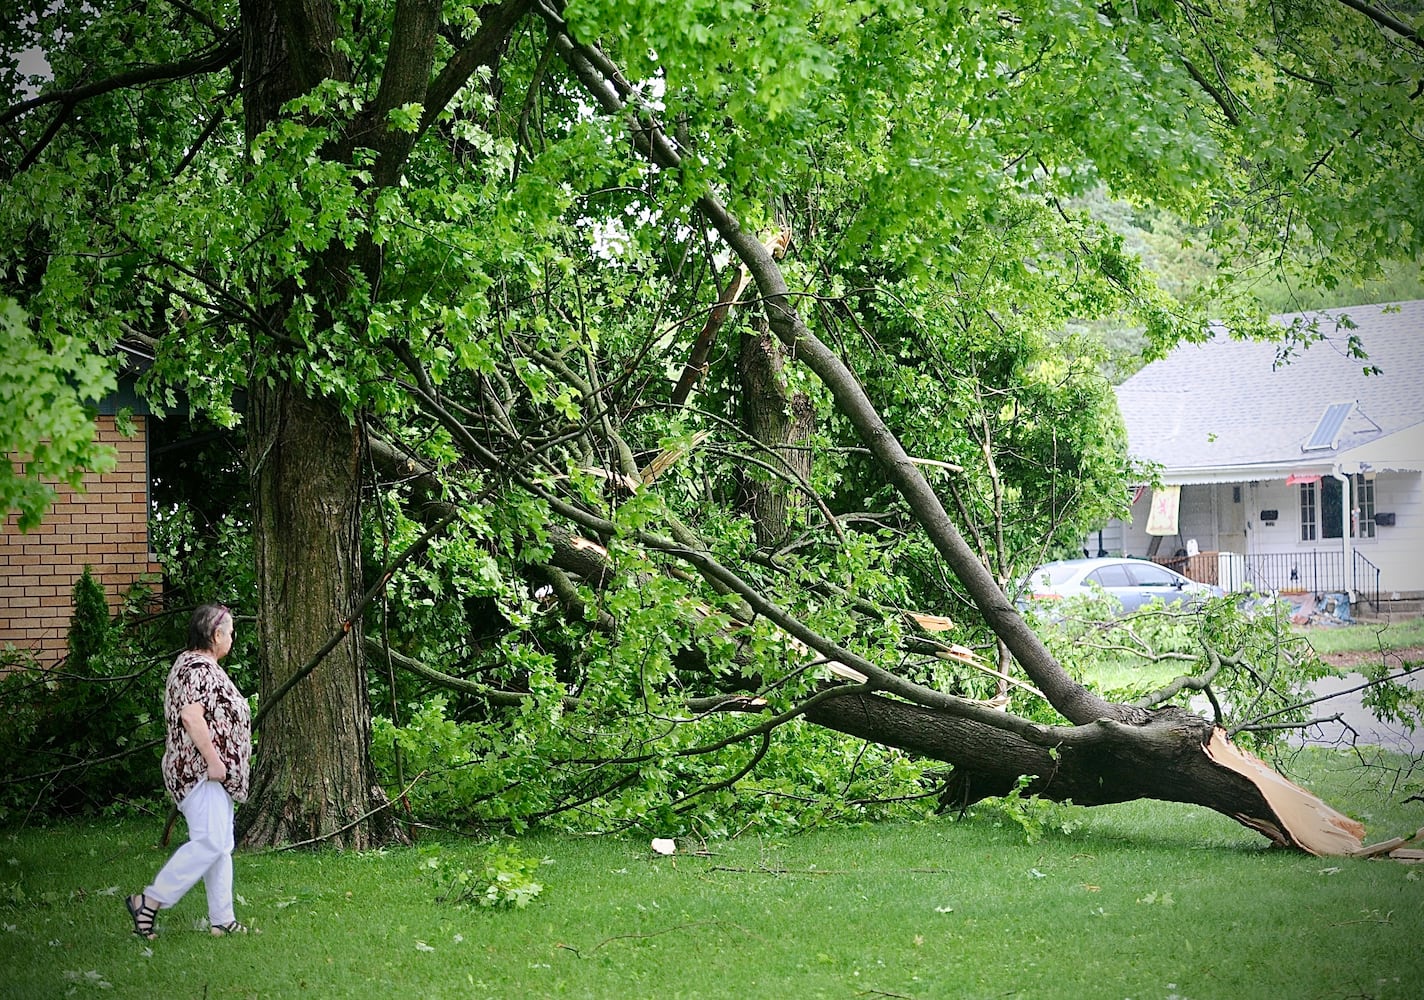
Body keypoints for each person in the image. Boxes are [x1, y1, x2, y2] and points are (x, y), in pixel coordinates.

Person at [126, 603, 252, 939]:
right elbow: (191, 717)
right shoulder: (197, 668)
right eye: (229, 632)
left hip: (208, 772)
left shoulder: (198, 666)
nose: (232, 637)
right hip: (199, 770)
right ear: (215, 635)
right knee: (210, 843)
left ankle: (222, 919)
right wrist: (214, 760)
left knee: (220, 844)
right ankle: (149, 902)